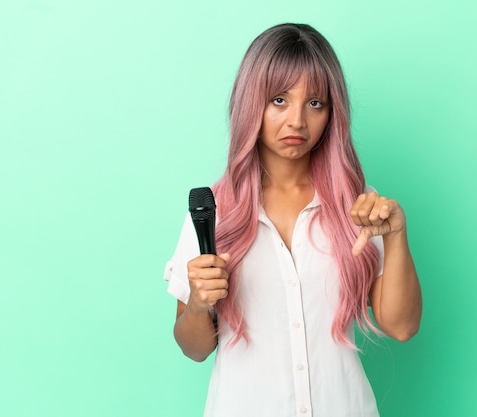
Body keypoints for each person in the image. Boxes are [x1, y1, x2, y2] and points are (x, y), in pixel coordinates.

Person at [164, 23, 422, 417]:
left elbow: (401, 327)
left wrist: (397, 237)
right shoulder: (214, 211)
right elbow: (194, 349)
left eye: (315, 103)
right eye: (279, 100)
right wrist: (199, 304)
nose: (297, 121)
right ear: (253, 102)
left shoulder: (358, 206)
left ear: (332, 112)